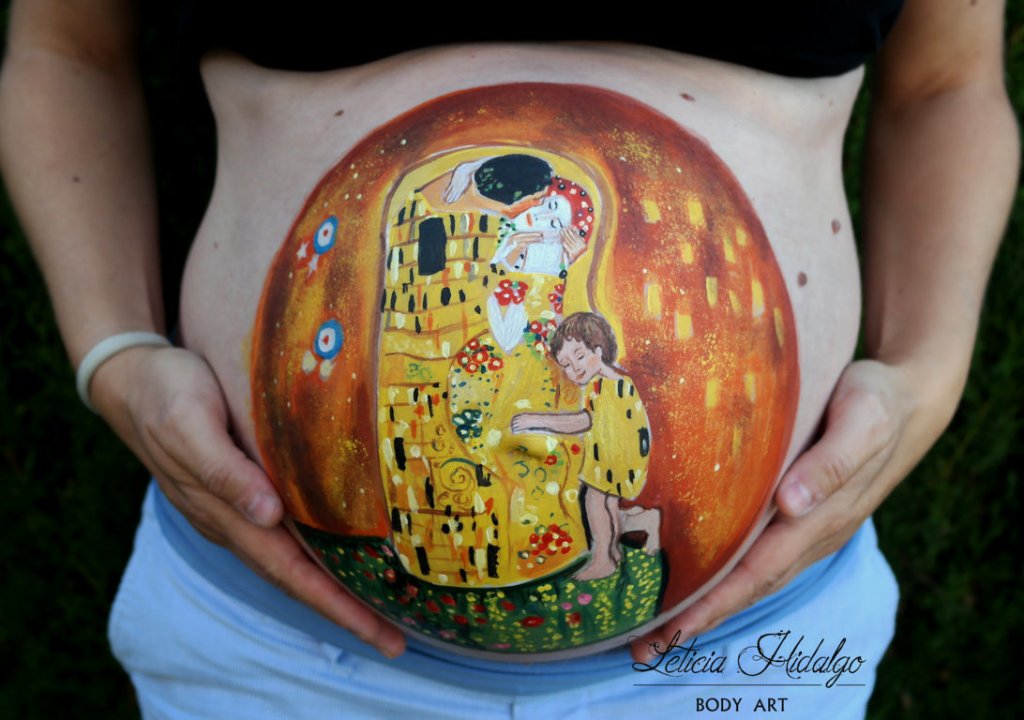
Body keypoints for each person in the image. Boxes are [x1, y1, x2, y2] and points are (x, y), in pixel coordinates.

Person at [0, 2, 1017, 717]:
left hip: (736, 661)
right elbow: (66, 50)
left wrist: (928, 375)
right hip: (279, 655)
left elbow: (945, 84)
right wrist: (113, 348)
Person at [511, 311, 661, 581]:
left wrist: (537, 420)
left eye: (579, 356)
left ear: (599, 349)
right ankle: (618, 546)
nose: (574, 368)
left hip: (613, 459)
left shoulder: (604, 386)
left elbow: (583, 421)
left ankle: (603, 559)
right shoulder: (616, 381)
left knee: (595, 501)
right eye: (566, 364)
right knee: (607, 504)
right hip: (617, 457)